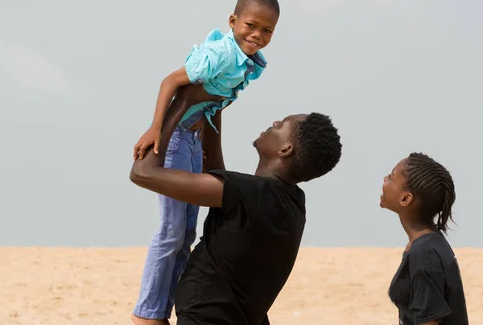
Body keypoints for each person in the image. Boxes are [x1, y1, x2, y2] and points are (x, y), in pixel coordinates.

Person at [130, 83, 343, 324]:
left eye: (282, 124)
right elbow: (217, 173)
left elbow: (143, 173)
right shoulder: (291, 202)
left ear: (285, 149)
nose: (274, 123)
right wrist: (214, 109)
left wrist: (180, 105)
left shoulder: (251, 193)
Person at [130, 0, 281, 324]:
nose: (257, 35)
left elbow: (215, 106)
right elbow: (172, 82)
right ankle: (147, 314)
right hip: (176, 137)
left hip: (195, 141)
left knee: (186, 234)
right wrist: (156, 129)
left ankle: (163, 309)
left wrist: (216, 162)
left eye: (267, 30)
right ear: (233, 21)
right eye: (251, 26)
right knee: (171, 230)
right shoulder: (220, 55)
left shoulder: (249, 63)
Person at [381, 153, 469, 325]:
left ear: (405, 198)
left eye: (391, 177)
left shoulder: (424, 253)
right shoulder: (428, 245)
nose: (385, 179)